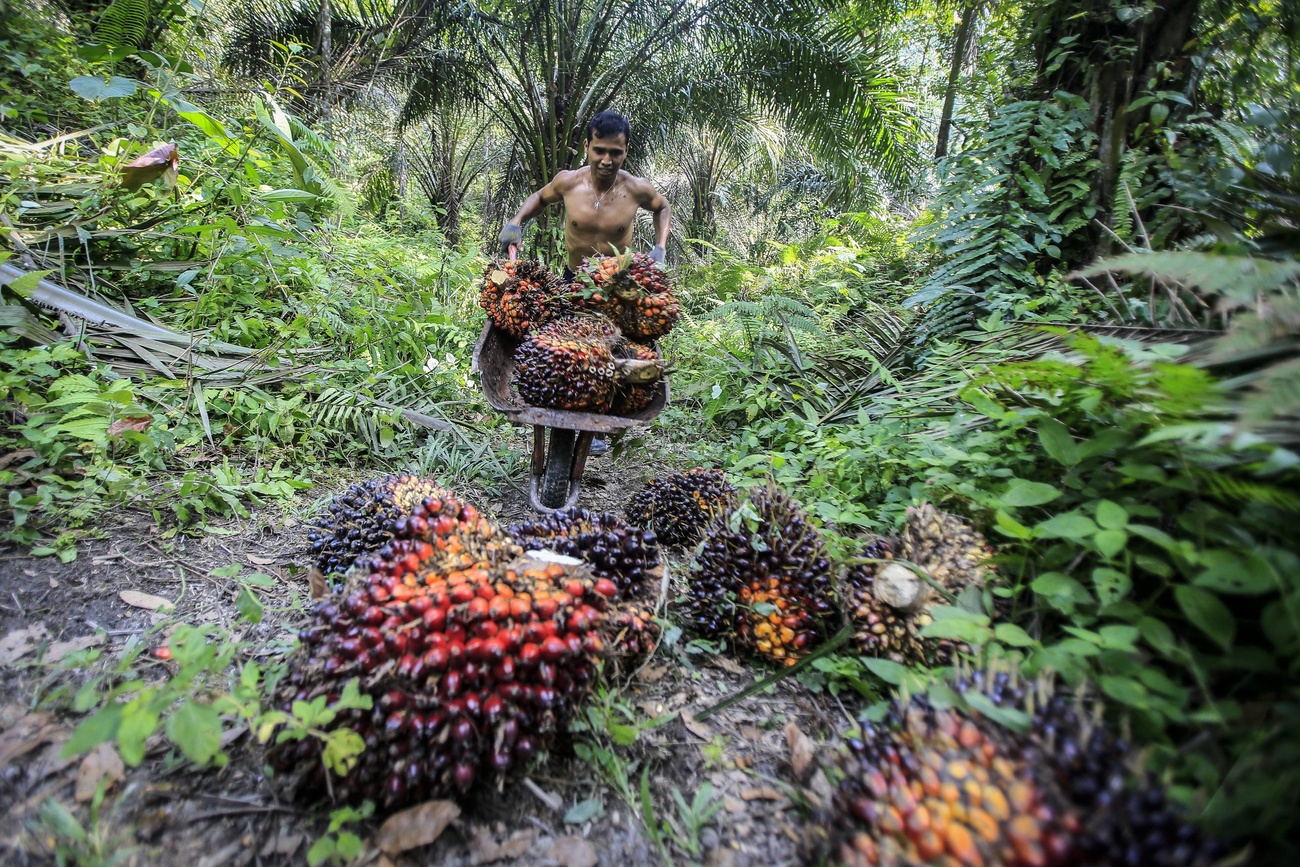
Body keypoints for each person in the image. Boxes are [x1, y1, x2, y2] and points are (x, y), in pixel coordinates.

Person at [499, 111, 671, 454]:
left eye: (615, 153)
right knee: (564, 353)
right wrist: (517, 220)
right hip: (571, 283)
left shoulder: (635, 189)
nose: (607, 160)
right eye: (600, 150)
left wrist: (660, 247)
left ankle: (597, 426)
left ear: (625, 151)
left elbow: (662, 207)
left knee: (609, 354)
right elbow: (539, 197)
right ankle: (557, 403)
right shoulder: (568, 182)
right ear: (587, 147)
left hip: (614, 291)